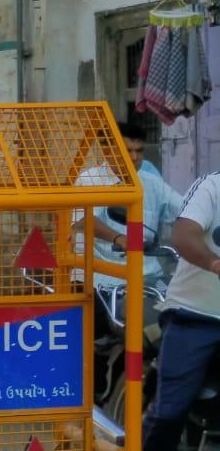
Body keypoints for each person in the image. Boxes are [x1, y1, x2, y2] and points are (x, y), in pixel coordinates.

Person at [143, 171, 220, 449]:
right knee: (169, 412)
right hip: (195, 316)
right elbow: (184, 234)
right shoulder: (211, 186)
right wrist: (214, 264)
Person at [73, 122, 184, 287]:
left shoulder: (153, 183)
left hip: (147, 273)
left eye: (139, 151)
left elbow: (186, 213)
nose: (134, 158)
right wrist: (119, 238)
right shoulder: (90, 179)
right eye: (127, 151)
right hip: (101, 275)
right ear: (109, 151)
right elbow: (84, 221)